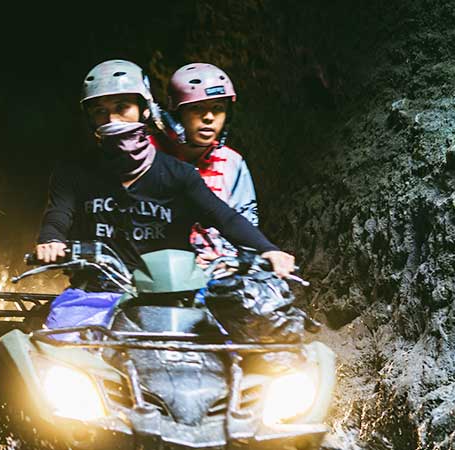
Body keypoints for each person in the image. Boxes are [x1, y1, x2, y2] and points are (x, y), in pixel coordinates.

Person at [35, 59, 295, 332]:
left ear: (144, 110)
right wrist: (51, 239)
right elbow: (59, 212)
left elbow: (224, 217)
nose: (112, 119)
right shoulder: (73, 172)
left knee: (237, 351)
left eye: (122, 107)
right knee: (63, 345)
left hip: (175, 297)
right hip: (98, 294)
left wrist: (269, 249)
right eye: (100, 111)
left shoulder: (178, 174)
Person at [153, 63, 258, 262]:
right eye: (197, 108)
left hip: (218, 270)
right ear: (176, 114)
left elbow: (246, 220)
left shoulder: (232, 163)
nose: (209, 117)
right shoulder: (150, 156)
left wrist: (229, 261)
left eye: (218, 108)